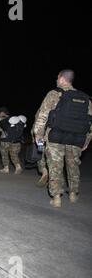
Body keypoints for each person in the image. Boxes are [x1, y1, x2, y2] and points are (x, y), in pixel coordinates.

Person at [33, 70, 92, 208]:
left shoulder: (54, 94)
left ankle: (57, 197)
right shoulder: (86, 99)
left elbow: (43, 115)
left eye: (57, 77)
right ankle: (73, 194)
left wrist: (38, 135)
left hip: (55, 137)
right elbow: (89, 123)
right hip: (76, 138)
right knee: (73, 166)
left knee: (55, 167)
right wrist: (87, 140)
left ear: (61, 79)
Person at [0, 107, 24, 175]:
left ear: (1, 113)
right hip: (15, 139)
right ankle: (18, 167)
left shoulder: (1, 119)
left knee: (4, 154)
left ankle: (6, 168)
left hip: (5, 140)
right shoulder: (14, 119)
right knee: (14, 154)